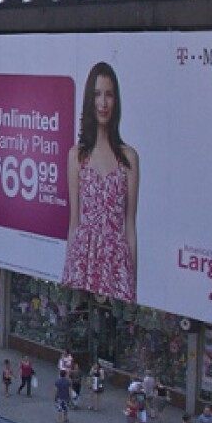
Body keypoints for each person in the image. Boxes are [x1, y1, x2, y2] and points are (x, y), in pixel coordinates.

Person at [64, 62, 140, 301]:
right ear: (89, 99)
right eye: (97, 94)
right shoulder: (77, 156)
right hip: (83, 263)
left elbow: (130, 226)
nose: (103, 103)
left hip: (117, 266)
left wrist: (132, 285)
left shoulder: (129, 158)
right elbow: (74, 223)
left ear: (116, 101)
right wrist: (68, 274)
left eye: (109, 95)